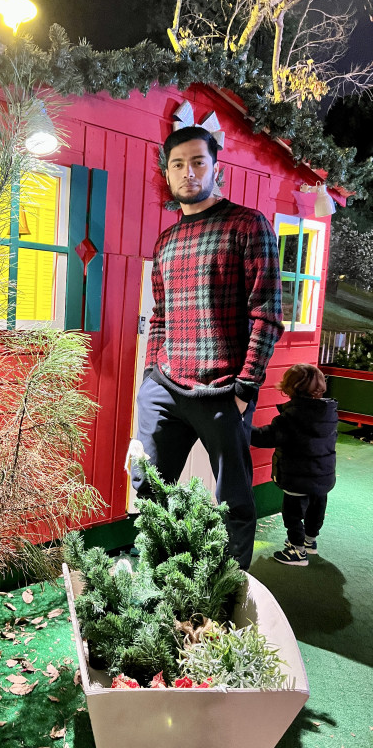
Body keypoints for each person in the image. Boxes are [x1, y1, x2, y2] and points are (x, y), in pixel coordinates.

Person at [131, 125, 283, 570]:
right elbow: (160, 316)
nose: (188, 172)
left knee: (232, 501)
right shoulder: (166, 241)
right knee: (148, 488)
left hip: (223, 390)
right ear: (167, 173)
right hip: (164, 387)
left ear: (216, 167)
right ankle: (153, 578)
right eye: (178, 164)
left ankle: (229, 590)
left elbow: (267, 315)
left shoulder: (247, 225)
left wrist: (245, 388)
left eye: (198, 161)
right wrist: (149, 378)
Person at [251, 363, 337, 566]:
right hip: (323, 476)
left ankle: (297, 551)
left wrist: (243, 427)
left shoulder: (291, 417)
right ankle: (310, 542)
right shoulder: (329, 413)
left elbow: (266, 437)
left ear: (289, 388)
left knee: (293, 515)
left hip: (298, 478)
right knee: (316, 509)